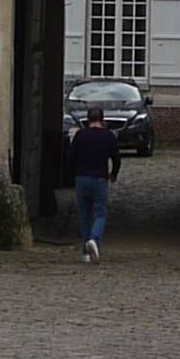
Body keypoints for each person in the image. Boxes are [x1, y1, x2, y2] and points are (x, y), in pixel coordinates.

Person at [67, 106, 124, 261]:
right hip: (100, 178)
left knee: (85, 215)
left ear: (88, 119)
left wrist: (73, 174)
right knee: (100, 213)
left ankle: (85, 253)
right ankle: (94, 238)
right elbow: (117, 159)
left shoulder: (80, 135)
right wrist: (114, 174)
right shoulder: (108, 136)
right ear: (102, 119)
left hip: (82, 178)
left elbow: (70, 157)